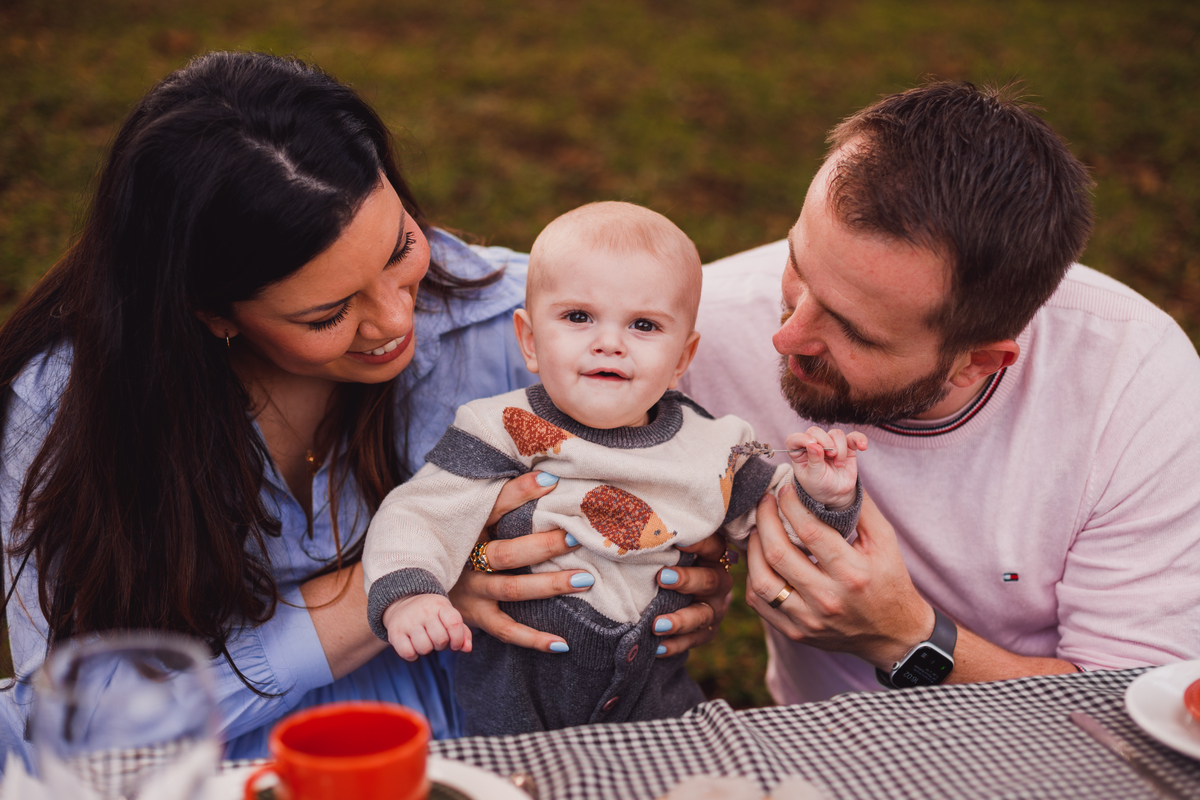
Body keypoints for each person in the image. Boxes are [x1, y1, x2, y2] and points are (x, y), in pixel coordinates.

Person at [0, 52, 730, 767]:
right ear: (211, 314)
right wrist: (408, 581)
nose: (393, 321)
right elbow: (89, 719)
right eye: (327, 315)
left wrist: (676, 579)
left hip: (475, 739)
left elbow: (676, 475)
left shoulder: (534, 324)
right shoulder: (68, 402)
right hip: (207, 764)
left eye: (399, 247)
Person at [679, 80, 1200, 701]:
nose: (786, 336)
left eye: (854, 333)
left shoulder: (1133, 388)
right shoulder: (691, 331)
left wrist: (905, 638)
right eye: (797, 266)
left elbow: (1134, 705)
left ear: (978, 362)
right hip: (819, 756)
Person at [362, 201, 864, 735]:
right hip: (517, 704)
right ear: (530, 341)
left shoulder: (716, 445)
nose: (609, 341)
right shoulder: (500, 428)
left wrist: (822, 496)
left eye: (643, 324)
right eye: (578, 317)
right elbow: (422, 512)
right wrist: (410, 593)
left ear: (681, 359)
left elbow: (784, 536)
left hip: (657, 703)